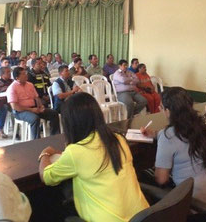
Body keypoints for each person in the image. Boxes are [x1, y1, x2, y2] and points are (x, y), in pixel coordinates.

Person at [38, 93, 149, 222]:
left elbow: (45, 177)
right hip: (143, 216)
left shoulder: (76, 152)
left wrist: (45, 154)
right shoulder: (118, 139)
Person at [140, 87, 206, 210]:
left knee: (143, 175)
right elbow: (181, 137)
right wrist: (155, 134)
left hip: (195, 204)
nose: (159, 109)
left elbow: (161, 180)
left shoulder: (167, 136)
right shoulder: (200, 125)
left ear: (168, 111)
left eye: (161, 107)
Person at [7, 67, 60, 138]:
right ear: (17, 78)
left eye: (25, 73)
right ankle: (36, 141)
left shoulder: (30, 85)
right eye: (23, 74)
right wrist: (32, 110)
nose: (26, 75)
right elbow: (15, 107)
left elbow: (37, 98)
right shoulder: (12, 88)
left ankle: (54, 136)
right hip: (20, 112)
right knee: (35, 118)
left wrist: (40, 106)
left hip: (33, 108)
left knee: (53, 113)